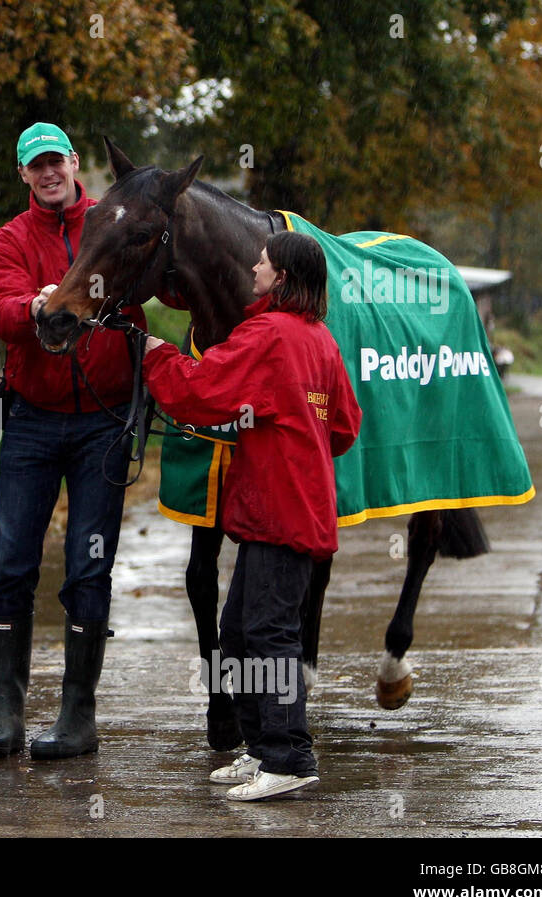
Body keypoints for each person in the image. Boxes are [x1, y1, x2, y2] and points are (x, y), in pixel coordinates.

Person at [142, 230, 362, 800]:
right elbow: (344, 427)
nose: (254, 269)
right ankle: (262, 747)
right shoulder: (320, 340)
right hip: (290, 508)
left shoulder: (266, 333)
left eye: (262, 264)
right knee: (239, 631)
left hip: (278, 511)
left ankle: (289, 757)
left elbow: (201, 391)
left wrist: (156, 355)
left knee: (268, 633)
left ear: (283, 278)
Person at [0, 123, 148, 760]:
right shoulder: (11, 240)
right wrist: (38, 308)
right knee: (13, 562)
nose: (49, 173)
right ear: (24, 175)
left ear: (75, 164)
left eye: (58, 162)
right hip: (34, 422)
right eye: (36, 166)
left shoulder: (109, 222)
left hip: (103, 421)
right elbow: (0, 307)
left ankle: (78, 717)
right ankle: (7, 715)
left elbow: (138, 287)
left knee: (88, 565)